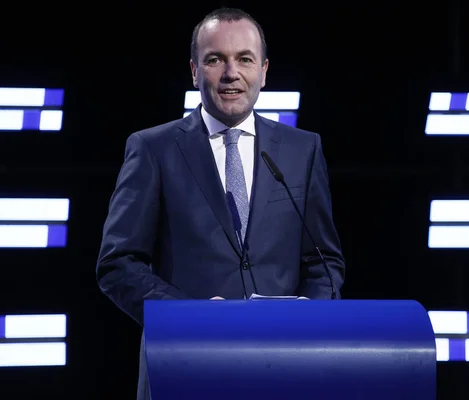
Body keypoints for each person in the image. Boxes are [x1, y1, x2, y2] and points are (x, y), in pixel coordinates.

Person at [95, 7, 346, 400]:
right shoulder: (152, 149)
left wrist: (304, 322)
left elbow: (324, 261)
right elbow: (117, 263)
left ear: (263, 71)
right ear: (195, 71)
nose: (232, 73)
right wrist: (189, 316)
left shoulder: (302, 149)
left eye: (244, 59)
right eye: (215, 60)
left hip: (284, 368)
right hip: (184, 365)